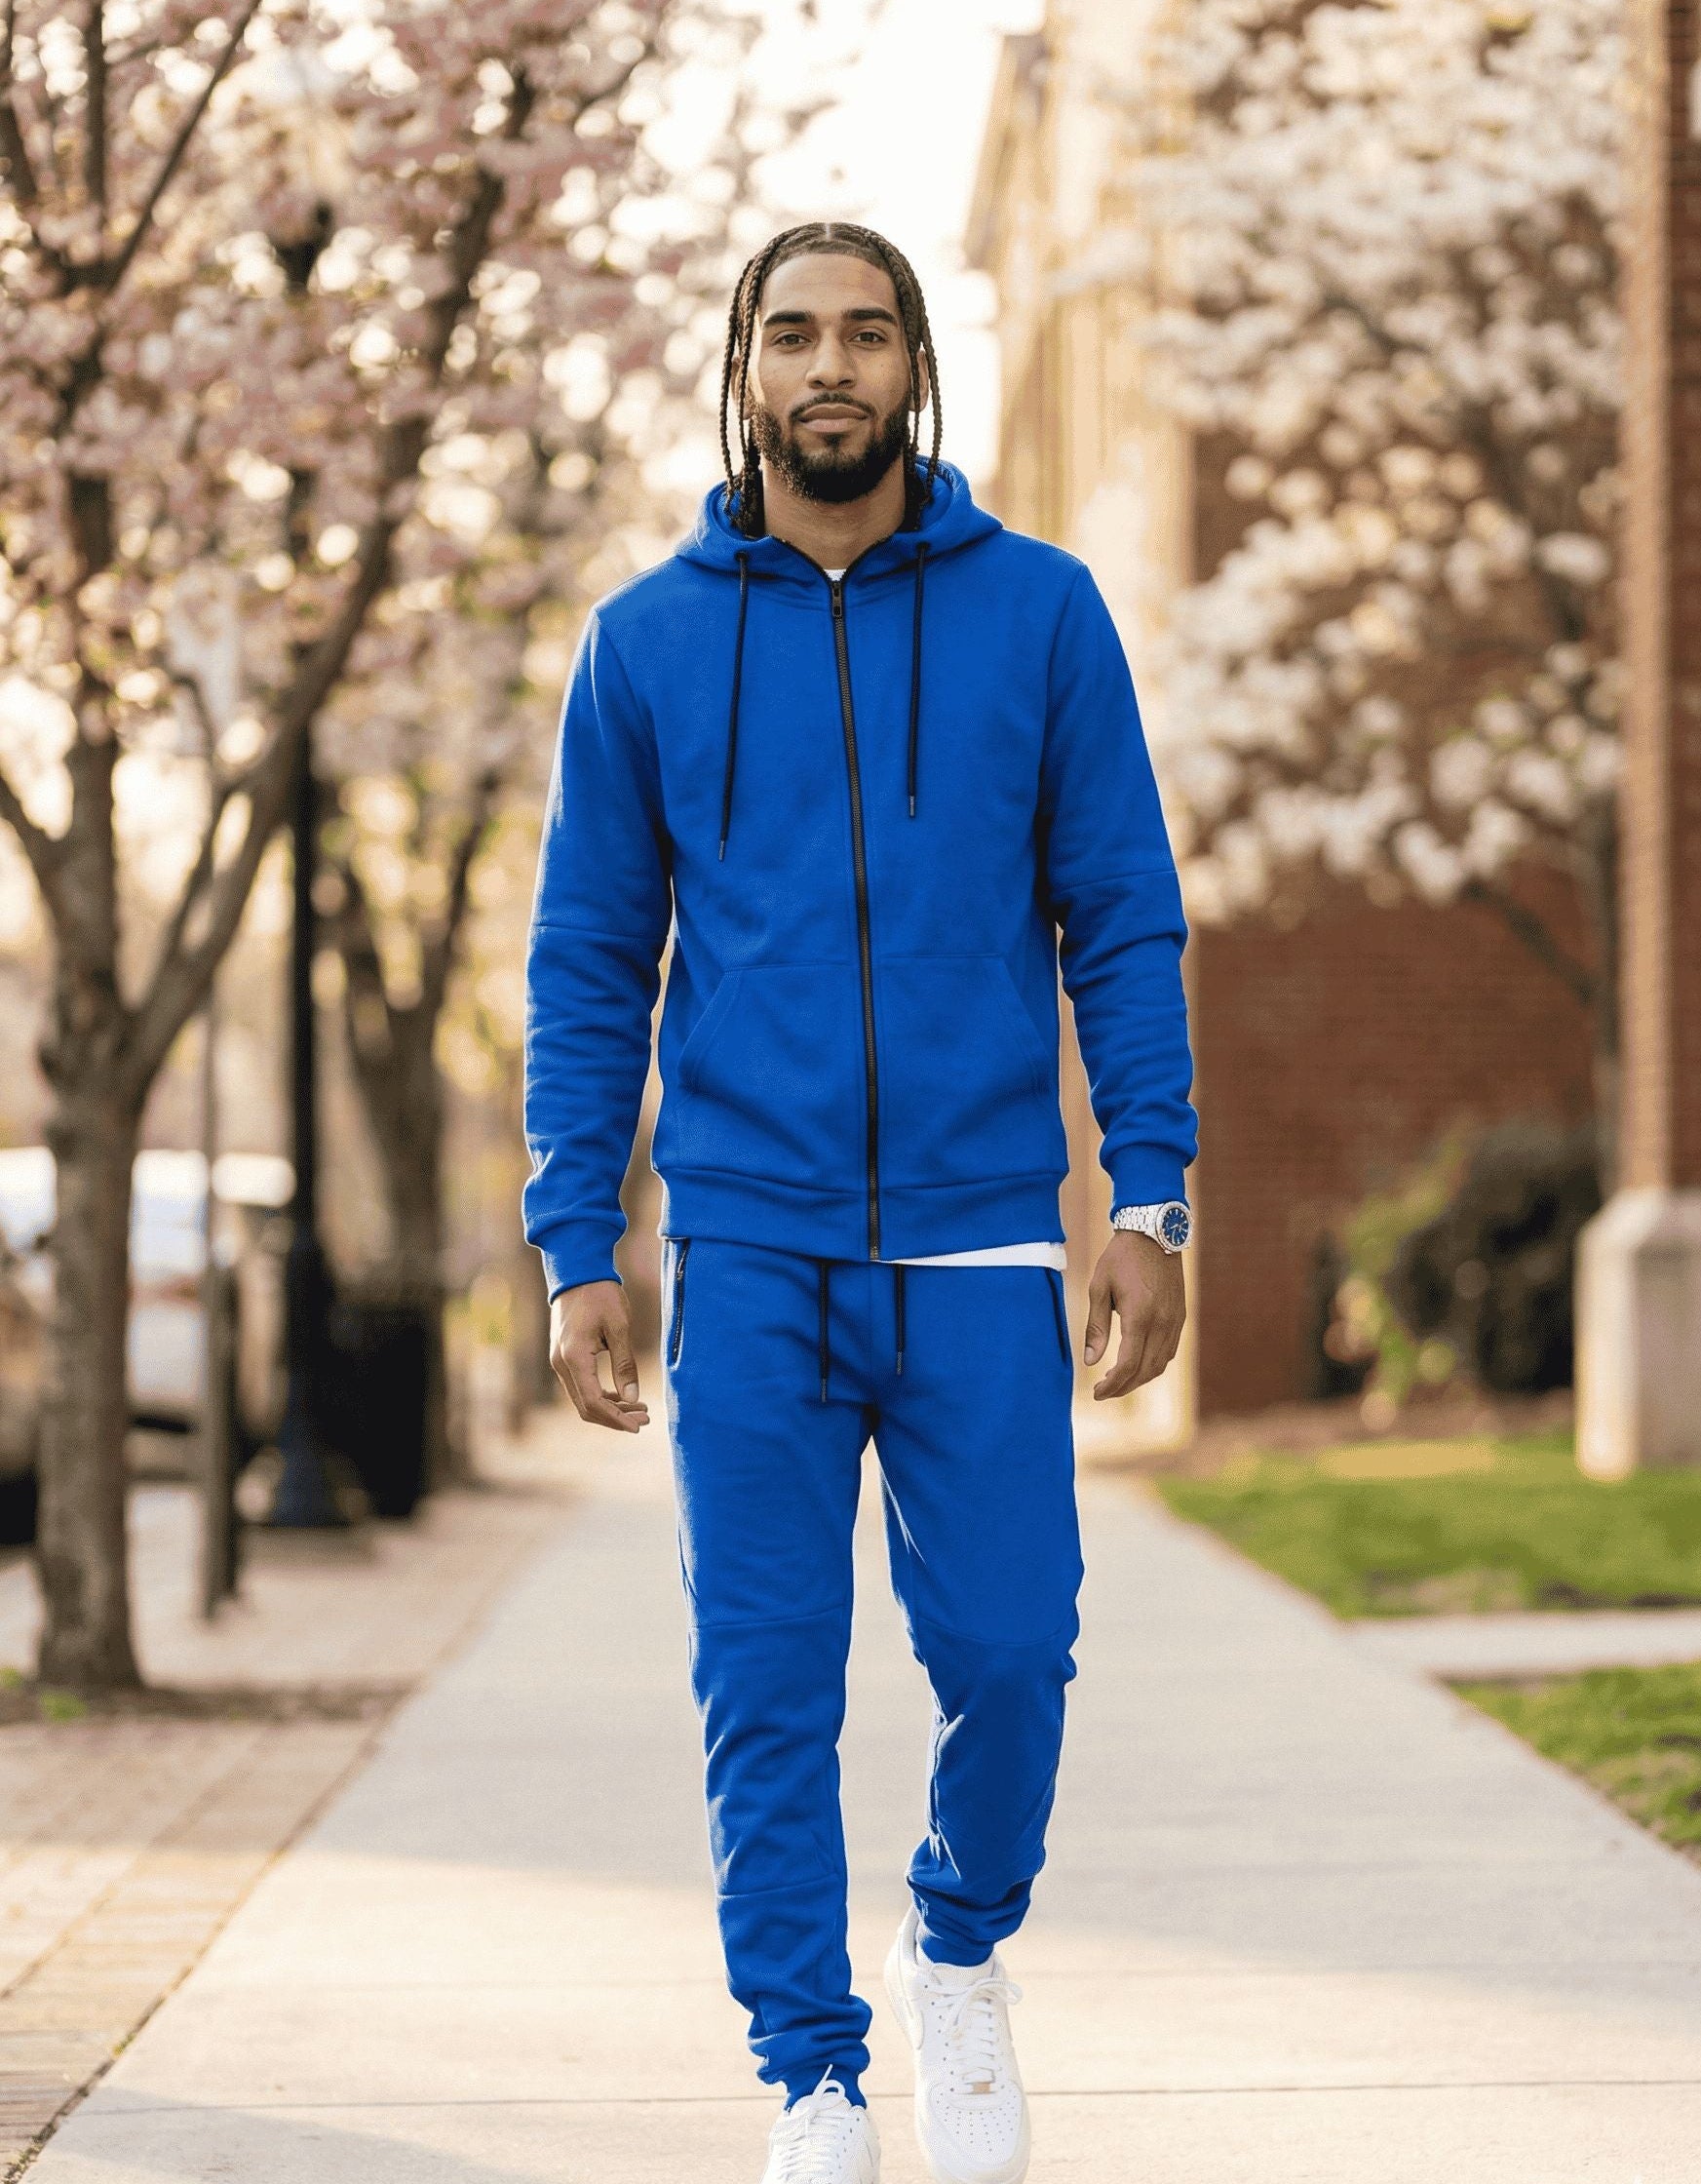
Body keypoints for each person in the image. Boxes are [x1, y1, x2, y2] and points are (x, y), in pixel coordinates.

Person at [523, 221, 1197, 2184]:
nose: (831, 365)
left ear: (914, 367)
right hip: (743, 1238)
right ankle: (809, 2073)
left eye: (866, 333)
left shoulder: (1043, 615)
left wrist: (1145, 1190)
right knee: (765, 1678)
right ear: (741, 365)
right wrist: (586, 1242)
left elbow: (1122, 917)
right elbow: (587, 960)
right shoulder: (645, 640)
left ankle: (956, 1950)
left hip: (983, 1229)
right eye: (793, 333)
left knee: (1007, 1650)